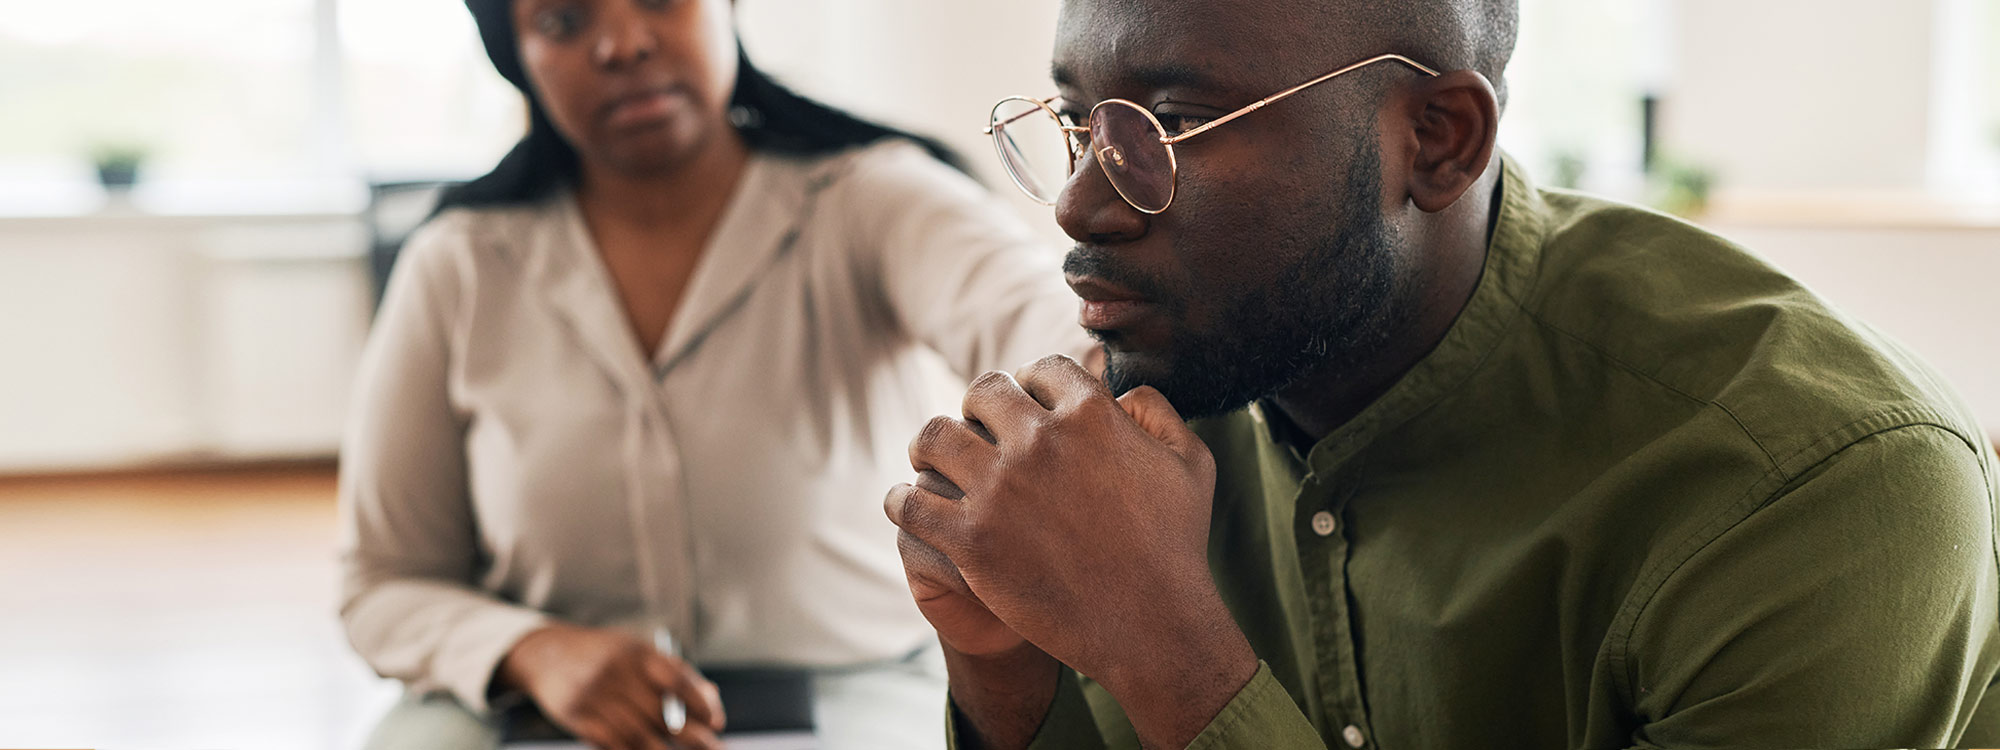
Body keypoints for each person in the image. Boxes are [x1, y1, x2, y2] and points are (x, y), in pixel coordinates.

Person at [885, 0, 2000, 748]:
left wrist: (1170, 653)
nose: (1078, 201)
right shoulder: (1163, 402)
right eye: (1079, 122)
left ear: (1436, 141)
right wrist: (1003, 671)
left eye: (1168, 126)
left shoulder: (1810, 483)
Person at [336, 0, 1095, 748]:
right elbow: (383, 583)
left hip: (858, 688)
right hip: (530, 707)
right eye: (565, 21)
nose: (624, 42)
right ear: (516, 57)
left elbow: (1057, 333)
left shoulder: (870, 198)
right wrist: (529, 651)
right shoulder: (457, 264)